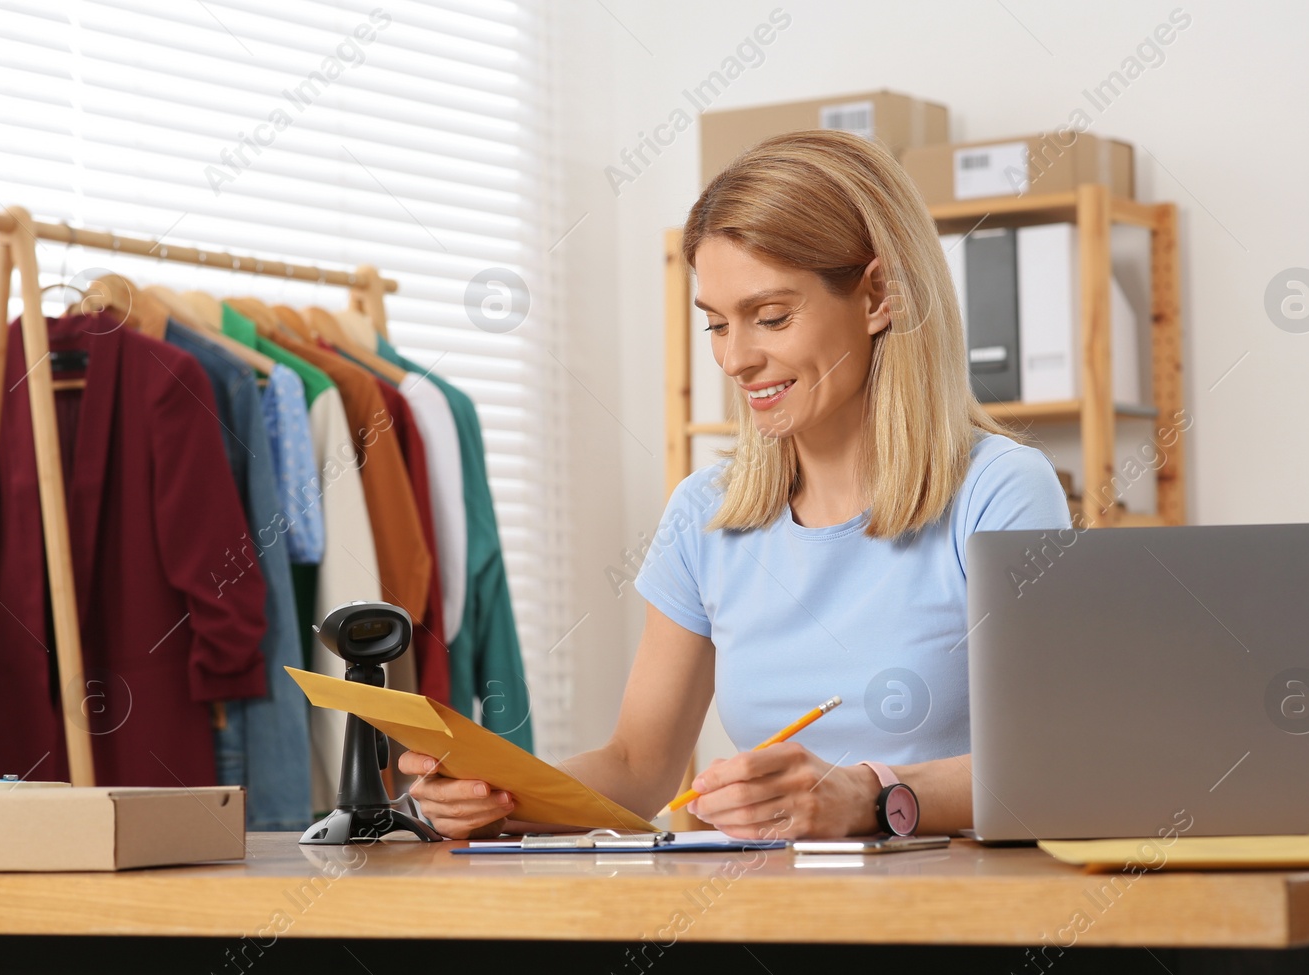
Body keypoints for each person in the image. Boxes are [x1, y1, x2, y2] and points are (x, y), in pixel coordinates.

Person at [401, 129, 1072, 840]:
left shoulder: (999, 491)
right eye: (716, 325)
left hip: (958, 920)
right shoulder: (705, 512)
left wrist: (870, 798)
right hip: (766, 911)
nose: (736, 359)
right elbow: (636, 766)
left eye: (771, 317)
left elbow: (1056, 761)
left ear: (878, 296)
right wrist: (501, 795)